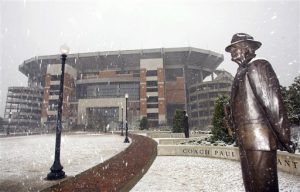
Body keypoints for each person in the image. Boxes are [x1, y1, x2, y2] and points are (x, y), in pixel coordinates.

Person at [225, 33, 295, 192]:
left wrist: (286, 138)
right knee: (252, 187)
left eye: (235, 48)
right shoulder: (239, 74)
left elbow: (273, 105)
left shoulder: (258, 66)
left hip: (260, 142)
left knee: (264, 187)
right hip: (245, 141)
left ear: (248, 47)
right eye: (231, 49)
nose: (232, 53)